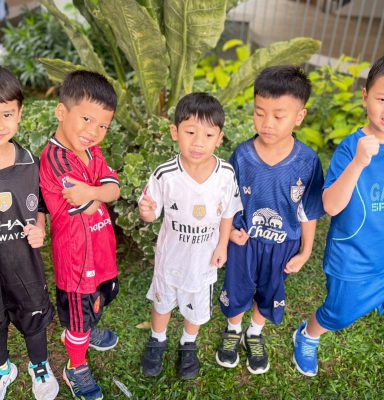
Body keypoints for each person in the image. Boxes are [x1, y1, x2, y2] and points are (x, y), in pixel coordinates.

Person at [293, 52, 384, 377]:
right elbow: (330, 206)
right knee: (338, 313)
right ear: (365, 97)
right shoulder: (351, 148)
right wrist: (358, 164)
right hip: (354, 261)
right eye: (383, 98)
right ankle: (308, 335)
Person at [216, 66, 325, 374]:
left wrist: (305, 251)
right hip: (244, 240)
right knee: (237, 286)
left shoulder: (307, 161)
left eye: (279, 116)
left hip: (282, 245)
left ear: (299, 117)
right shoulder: (242, 155)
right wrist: (229, 234)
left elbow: (308, 210)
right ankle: (233, 330)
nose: (267, 123)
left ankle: (254, 333)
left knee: (269, 290)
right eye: (259, 113)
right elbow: (229, 201)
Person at [139, 92, 242, 379]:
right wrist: (146, 212)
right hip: (170, 258)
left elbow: (228, 212)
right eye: (190, 132)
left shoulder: (225, 174)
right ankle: (157, 340)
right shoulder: (165, 174)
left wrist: (223, 245)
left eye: (208, 135)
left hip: (203, 260)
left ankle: (188, 344)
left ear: (219, 138)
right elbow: (151, 212)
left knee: (195, 308)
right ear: (175, 132)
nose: (198, 142)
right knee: (162, 303)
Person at [40, 70, 120, 399]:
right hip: (75, 259)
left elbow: (113, 190)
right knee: (78, 314)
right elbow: (86, 206)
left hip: (99, 247)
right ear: (62, 112)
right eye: (86, 119)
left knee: (98, 298)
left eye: (103, 126)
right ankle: (76, 366)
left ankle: (86, 330)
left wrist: (95, 191)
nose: (93, 132)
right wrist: (97, 192)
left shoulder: (91, 151)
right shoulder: (55, 158)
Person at [0, 67, 59, 399]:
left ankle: (39, 365)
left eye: (7, 114)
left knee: (33, 313)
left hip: (24, 265)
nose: (0, 124)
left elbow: (41, 207)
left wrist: (39, 228)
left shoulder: (31, 165)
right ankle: (3, 368)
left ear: (20, 113)